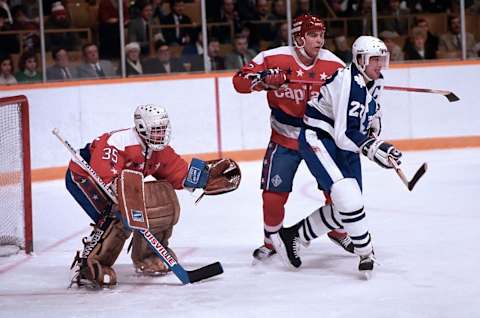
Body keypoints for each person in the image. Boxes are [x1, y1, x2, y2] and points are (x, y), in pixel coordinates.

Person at [66, 104, 239, 288]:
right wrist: (128, 202)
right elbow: (105, 174)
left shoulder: (159, 150)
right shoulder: (118, 142)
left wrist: (204, 178)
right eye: (156, 130)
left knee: (161, 201)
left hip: (121, 183)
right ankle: (90, 264)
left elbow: (177, 173)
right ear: (142, 128)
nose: (161, 134)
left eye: (163, 129)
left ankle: (149, 256)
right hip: (85, 177)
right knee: (117, 214)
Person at [271, 36, 401, 276]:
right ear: (360, 59)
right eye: (374, 59)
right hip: (320, 138)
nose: (379, 65)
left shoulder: (375, 80)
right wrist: (374, 148)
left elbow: (372, 116)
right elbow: (343, 134)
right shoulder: (347, 83)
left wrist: (373, 132)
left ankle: (292, 236)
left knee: (349, 209)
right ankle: (365, 251)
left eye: (382, 59)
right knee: (347, 199)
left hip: (347, 144)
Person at [232, 14, 351, 263]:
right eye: (313, 35)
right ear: (299, 37)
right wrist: (263, 81)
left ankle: (338, 229)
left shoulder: (335, 66)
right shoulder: (272, 58)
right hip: (284, 138)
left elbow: (349, 100)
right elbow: (239, 81)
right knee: (273, 194)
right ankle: (271, 240)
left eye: (321, 35)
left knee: (336, 189)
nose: (320, 40)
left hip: (319, 139)